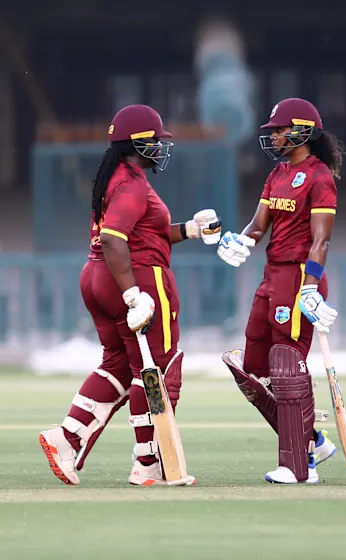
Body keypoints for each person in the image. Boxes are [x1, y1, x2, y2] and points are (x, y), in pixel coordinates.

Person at [39, 104, 222, 487]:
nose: (161, 146)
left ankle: (68, 437)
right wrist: (134, 293)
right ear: (138, 142)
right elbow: (113, 239)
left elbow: (142, 234)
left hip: (97, 277)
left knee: (119, 365)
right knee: (158, 369)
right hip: (136, 277)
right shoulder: (131, 183)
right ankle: (148, 463)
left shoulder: (116, 178)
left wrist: (190, 230)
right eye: (155, 140)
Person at [218, 97, 345, 484]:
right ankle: (313, 440)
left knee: (287, 363)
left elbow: (321, 240)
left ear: (302, 132)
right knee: (252, 368)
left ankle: (298, 466)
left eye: (279, 130)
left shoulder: (319, 177)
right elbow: (258, 225)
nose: (273, 136)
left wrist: (311, 288)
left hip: (299, 276)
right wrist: (241, 241)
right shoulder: (276, 174)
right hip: (272, 274)